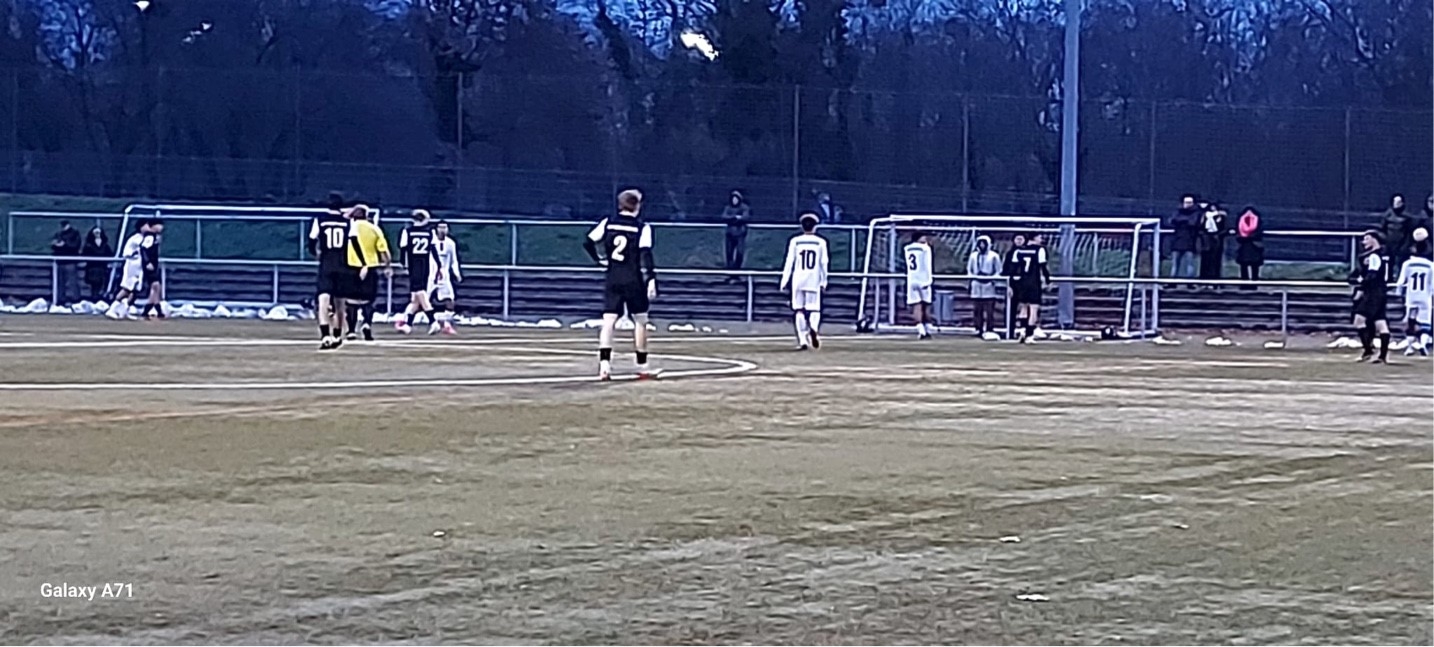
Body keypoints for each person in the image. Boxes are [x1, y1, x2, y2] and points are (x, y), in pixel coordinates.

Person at [583, 189, 658, 381]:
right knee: (640, 320)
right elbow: (646, 255)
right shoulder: (642, 228)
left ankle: (604, 366)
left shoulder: (608, 223)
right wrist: (651, 278)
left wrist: (599, 259)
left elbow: (588, 241)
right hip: (633, 278)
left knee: (608, 321)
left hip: (613, 277)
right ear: (637, 206)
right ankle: (642, 366)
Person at [779, 212, 828, 350]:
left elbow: (789, 262)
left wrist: (784, 280)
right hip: (813, 279)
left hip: (798, 279)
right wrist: (824, 281)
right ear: (815, 226)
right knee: (814, 308)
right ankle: (813, 328)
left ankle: (802, 340)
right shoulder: (821, 242)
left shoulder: (795, 241)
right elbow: (824, 263)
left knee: (799, 309)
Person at [309, 199, 354, 349]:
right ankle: (337, 335)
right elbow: (354, 243)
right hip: (343, 265)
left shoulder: (320, 220)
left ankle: (325, 335)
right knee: (340, 303)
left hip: (326, 264)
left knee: (323, 300)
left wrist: (316, 254)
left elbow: (311, 241)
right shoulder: (348, 223)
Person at [343, 205, 392, 343]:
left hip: (351, 266)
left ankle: (351, 330)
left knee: (351, 301)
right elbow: (384, 251)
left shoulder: (349, 228)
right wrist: (387, 265)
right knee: (369, 300)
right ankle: (367, 324)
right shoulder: (374, 229)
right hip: (370, 266)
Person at [1350, 230, 1393, 364]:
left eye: (1367, 239)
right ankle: (1382, 355)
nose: (1364, 242)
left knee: (1359, 319)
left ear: (1374, 240)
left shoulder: (1374, 256)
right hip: (1381, 291)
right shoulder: (1383, 255)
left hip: (1373, 292)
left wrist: (1361, 283)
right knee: (1381, 322)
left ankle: (1368, 350)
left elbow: (1372, 275)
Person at [393, 209, 437, 334]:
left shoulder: (407, 231)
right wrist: (439, 266)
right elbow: (433, 250)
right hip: (425, 265)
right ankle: (408, 324)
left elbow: (403, 249)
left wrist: (403, 264)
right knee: (415, 298)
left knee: (420, 293)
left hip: (414, 264)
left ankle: (432, 321)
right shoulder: (430, 232)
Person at [105, 220, 154, 320]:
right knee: (127, 289)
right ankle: (112, 309)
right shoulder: (134, 239)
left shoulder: (147, 239)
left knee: (135, 291)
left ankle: (124, 310)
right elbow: (126, 253)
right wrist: (135, 253)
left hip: (140, 269)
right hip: (132, 267)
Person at [1395, 232, 1432, 356]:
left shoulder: (1407, 264)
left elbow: (1401, 281)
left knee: (1411, 321)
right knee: (1425, 322)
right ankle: (1423, 344)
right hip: (1425, 297)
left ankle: (1410, 347)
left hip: (1411, 296)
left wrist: (1398, 293)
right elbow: (1432, 284)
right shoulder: (1430, 265)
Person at [1009, 233, 1048, 342]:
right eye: (1039, 237)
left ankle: (1022, 330)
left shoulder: (1019, 250)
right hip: (1034, 282)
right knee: (1034, 309)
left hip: (1022, 282)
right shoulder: (1039, 250)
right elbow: (1043, 267)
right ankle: (1029, 335)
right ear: (1034, 238)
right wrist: (1047, 280)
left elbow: (1013, 269)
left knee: (1023, 307)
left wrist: (1011, 284)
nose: (1041, 239)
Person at [426, 221, 462, 335]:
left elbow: (454, 260)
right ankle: (406, 320)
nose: (443, 230)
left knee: (450, 299)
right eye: (440, 227)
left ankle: (446, 323)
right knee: (422, 300)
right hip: (430, 275)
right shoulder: (430, 241)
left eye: (445, 228)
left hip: (444, 275)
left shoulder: (450, 243)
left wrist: (456, 273)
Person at [966, 234, 1002, 337]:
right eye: (980, 243)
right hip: (976, 285)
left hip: (989, 285)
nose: (982, 245)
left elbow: (998, 270)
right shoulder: (973, 256)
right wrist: (974, 278)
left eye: (984, 243)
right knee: (977, 309)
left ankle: (990, 328)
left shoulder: (994, 256)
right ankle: (978, 328)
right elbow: (969, 269)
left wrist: (991, 278)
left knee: (990, 310)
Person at [903, 231, 935, 339]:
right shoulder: (926, 249)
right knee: (926, 304)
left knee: (916, 304)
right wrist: (929, 280)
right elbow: (928, 265)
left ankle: (921, 330)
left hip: (912, 279)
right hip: (924, 279)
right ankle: (927, 329)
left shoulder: (907, 248)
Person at [137, 220, 165, 319]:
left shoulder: (155, 237)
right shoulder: (150, 236)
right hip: (150, 266)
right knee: (156, 285)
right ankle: (149, 310)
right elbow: (144, 249)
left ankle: (157, 310)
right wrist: (147, 262)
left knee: (156, 287)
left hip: (153, 264)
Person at [50, 220, 82, 305]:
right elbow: (53, 245)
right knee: (60, 282)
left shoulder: (74, 233)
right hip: (60, 261)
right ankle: (61, 298)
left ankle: (76, 299)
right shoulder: (58, 234)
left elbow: (75, 245)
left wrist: (64, 244)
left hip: (70, 261)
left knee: (72, 281)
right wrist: (56, 245)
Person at [1168, 195, 1200, 280]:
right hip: (1177, 241)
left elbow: (1193, 222)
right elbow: (1172, 220)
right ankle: (1172, 282)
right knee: (1175, 264)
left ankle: (1190, 282)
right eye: (1186, 202)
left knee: (1190, 264)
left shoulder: (1196, 213)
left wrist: (1181, 221)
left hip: (1190, 242)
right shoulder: (1177, 211)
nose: (1187, 204)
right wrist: (1185, 220)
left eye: (1190, 202)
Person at [1380, 195, 1414, 271]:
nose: (1396, 204)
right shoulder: (1387, 215)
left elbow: (1409, 232)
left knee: (1401, 264)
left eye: (1398, 202)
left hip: (1402, 245)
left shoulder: (1407, 217)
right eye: (1395, 202)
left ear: (1402, 203)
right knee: (1389, 264)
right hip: (1389, 245)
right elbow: (1382, 229)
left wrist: (1407, 245)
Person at [1234, 206, 1264, 288]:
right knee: (1243, 266)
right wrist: (1242, 237)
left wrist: (1250, 236)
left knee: (1255, 266)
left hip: (1254, 246)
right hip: (1244, 246)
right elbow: (1237, 231)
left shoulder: (1258, 220)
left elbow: (1259, 231)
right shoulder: (1240, 220)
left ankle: (1254, 284)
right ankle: (1244, 284)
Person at [1197, 203, 1228, 282]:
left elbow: (1225, 229)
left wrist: (1217, 235)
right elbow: (1200, 228)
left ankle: (1215, 279)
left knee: (1216, 261)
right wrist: (1205, 235)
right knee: (1205, 261)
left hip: (1217, 242)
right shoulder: (1204, 216)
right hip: (1206, 242)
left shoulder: (1221, 217)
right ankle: (1204, 279)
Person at [81, 226, 113, 302]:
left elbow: (109, 254)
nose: (97, 234)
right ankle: (94, 298)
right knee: (94, 285)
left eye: (98, 233)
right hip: (92, 268)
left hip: (102, 267)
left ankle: (100, 298)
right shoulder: (89, 245)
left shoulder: (105, 244)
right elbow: (85, 254)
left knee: (102, 284)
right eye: (95, 233)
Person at [722, 190, 750, 273]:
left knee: (740, 253)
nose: (734, 200)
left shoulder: (744, 207)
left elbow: (745, 217)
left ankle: (737, 271)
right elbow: (724, 216)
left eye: (736, 198)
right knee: (729, 253)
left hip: (740, 234)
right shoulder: (728, 207)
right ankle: (730, 272)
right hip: (730, 234)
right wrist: (734, 217)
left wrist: (736, 220)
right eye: (733, 198)